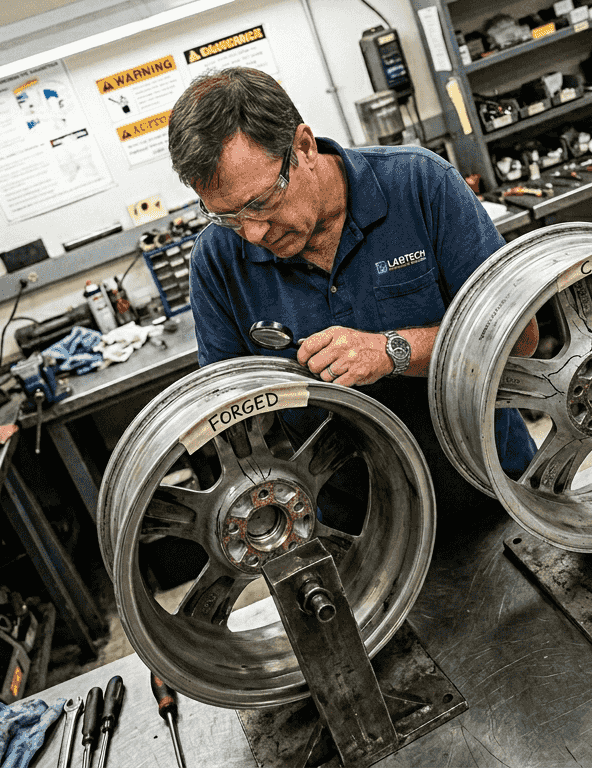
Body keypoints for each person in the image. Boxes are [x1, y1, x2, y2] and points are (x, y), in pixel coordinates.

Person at [167, 67, 534, 510]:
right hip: (358, 531)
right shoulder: (217, 259)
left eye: (262, 203)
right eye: (227, 216)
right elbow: (229, 418)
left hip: (493, 488)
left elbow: (522, 339)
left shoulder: (420, 184)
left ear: (303, 146)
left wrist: (393, 351)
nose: (254, 232)